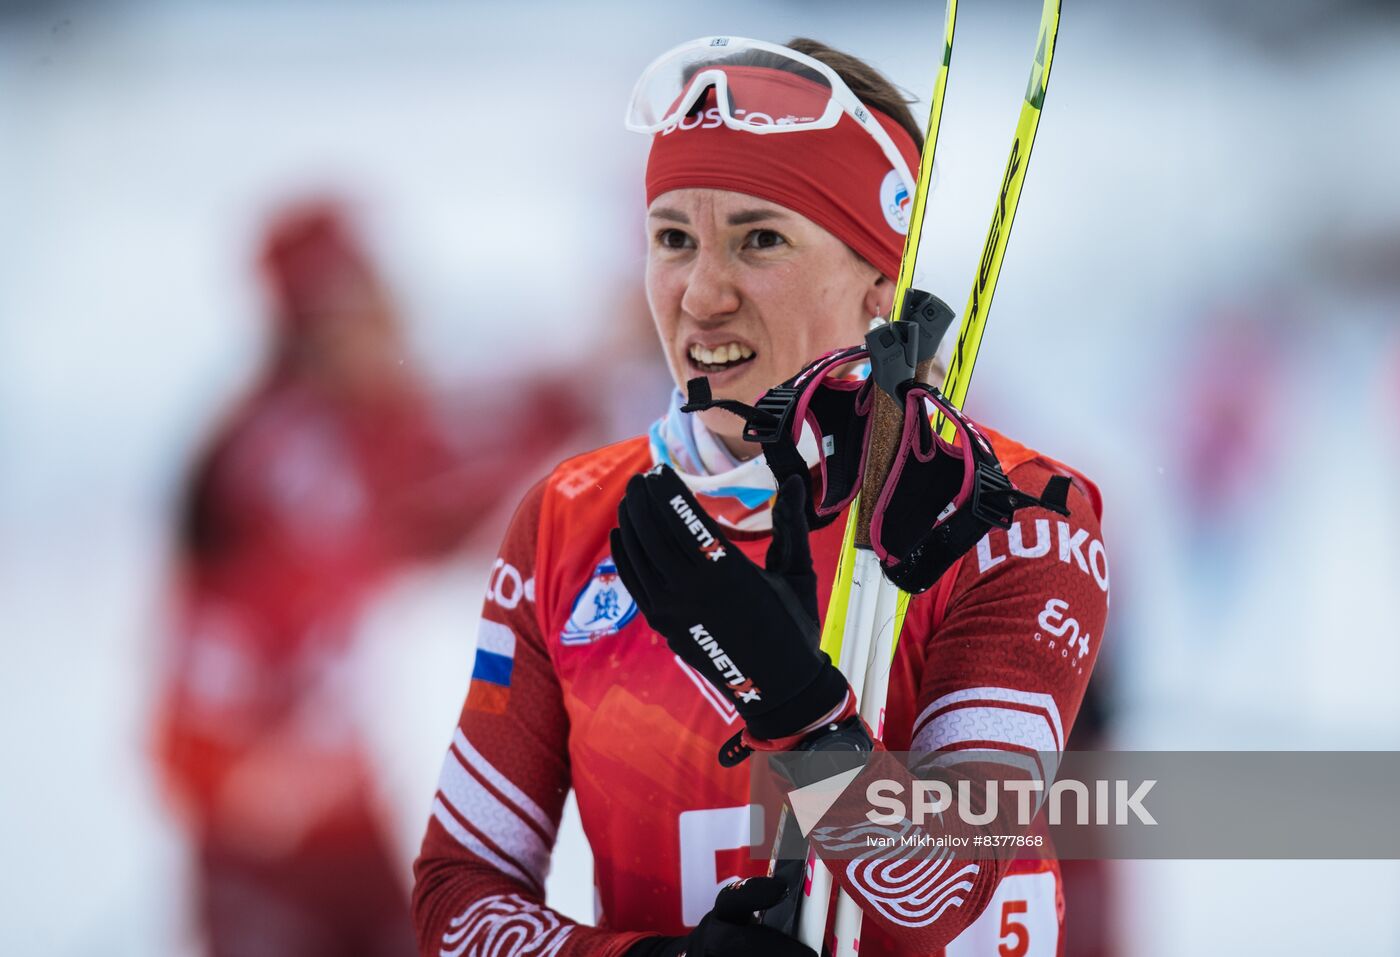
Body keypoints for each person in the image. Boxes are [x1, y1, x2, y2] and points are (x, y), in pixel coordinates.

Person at [412, 37, 1108, 957]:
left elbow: (943, 886)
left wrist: (794, 704)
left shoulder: (1011, 514)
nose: (702, 294)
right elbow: (457, 896)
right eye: (673, 239)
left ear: (878, 283)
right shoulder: (571, 518)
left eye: (760, 239)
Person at [153, 202, 527, 957]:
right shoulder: (284, 460)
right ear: (323, 318)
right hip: (267, 839)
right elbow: (430, 495)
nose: (396, 329)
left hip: (344, 823)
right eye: (372, 302)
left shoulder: (354, 430)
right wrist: (235, 773)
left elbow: (456, 468)